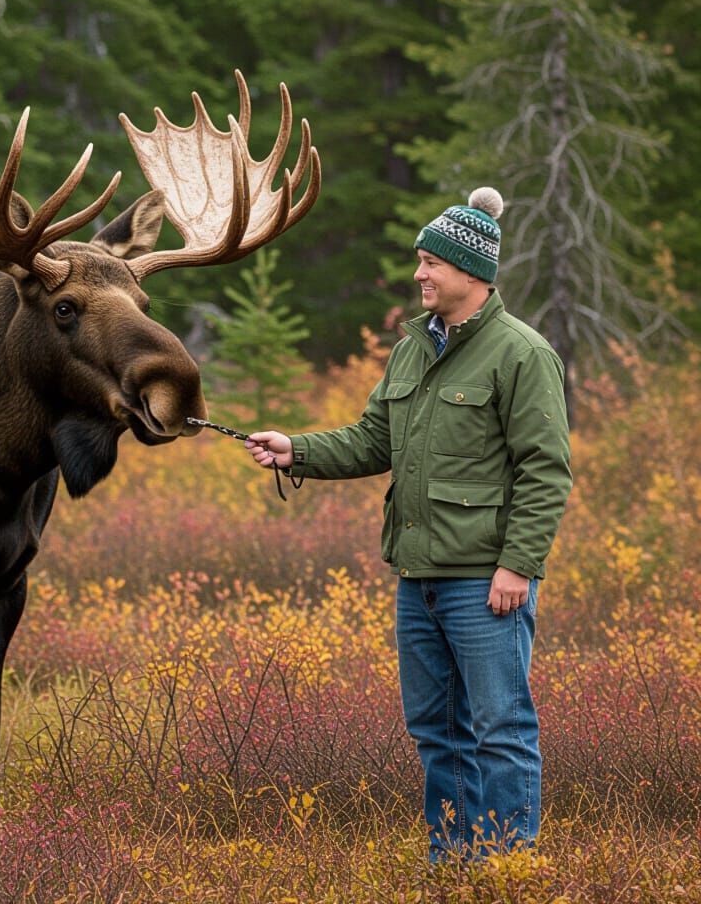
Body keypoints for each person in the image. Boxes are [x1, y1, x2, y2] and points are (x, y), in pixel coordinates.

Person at [245, 186, 572, 860]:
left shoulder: (522, 354)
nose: (419, 274)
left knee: (501, 728)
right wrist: (295, 449)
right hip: (417, 578)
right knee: (436, 730)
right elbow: (372, 441)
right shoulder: (411, 350)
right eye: (419, 261)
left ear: (470, 273)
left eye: (431, 263)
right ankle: (453, 861)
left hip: (485, 581)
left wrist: (518, 564)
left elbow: (546, 471)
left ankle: (508, 869)